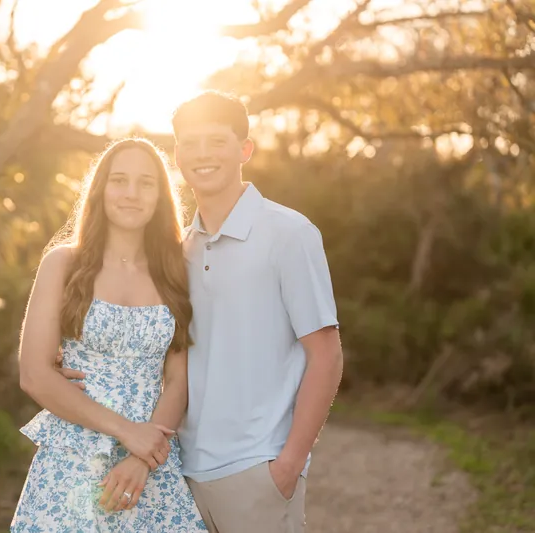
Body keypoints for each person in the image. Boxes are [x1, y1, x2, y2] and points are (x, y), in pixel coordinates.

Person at [60, 91, 344, 532]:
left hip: (256, 470)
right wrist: (74, 361)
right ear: (177, 155)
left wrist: (288, 464)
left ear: (244, 149)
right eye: (190, 143)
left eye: (217, 141)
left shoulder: (289, 233)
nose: (202, 154)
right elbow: (156, 348)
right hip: (177, 472)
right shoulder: (178, 253)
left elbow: (326, 355)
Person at [11, 138, 208, 532]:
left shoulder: (177, 270)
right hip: (73, 459)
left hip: (151, 466)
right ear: (100, 190)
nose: (132, 194)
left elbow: (178, 379)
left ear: (160, 196)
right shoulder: (63, 263)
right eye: (119, 180)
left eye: (145, 183)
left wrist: (142, 457)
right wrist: (128, 433)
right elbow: (34, 374)